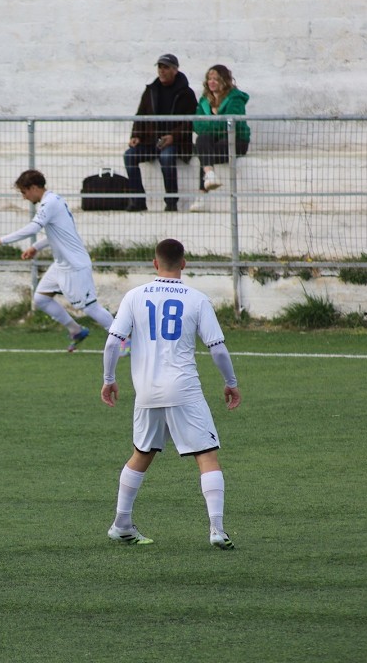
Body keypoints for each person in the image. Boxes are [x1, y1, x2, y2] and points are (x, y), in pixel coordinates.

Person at [100, 238, 242, 549]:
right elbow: (217, 347)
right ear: (184, 264)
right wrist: (230, 381)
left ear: (155, 264)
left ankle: (121, 524)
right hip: (184, 390)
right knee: (206, 455)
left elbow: (113, 342)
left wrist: (109, 378)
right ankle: (217, 529)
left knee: (142, 453)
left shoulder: (135, 296)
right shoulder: (197, 299)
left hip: (146, 392)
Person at [0, 169, 119, 353]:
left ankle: (124, 339)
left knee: (90, 307)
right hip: (61, 264)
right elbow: (57, 233)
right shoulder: (54, 201)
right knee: (41, 299)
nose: (24, 197)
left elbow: (33, 228)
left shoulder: (50, 203)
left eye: (24, 192)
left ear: (33, 187)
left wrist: (2, 239)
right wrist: (36, 247)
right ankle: (76, 330)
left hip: (74, 264)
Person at [124, 53, 197, 212]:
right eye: (160, 67)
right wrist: (135, 136)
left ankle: (171, 202)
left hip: (176, 143)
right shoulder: (151, 91)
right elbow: (140, 115)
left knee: (166, 156)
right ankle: (138, 201)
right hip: (150, 142)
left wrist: (173, 137)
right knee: (129, 155)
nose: (162, 71)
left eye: (166, 67)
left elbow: (191, 122)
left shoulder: (186, 93)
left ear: (175, 70)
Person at [191, 64, 251, 212]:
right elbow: (197, 125)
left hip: (237, 141)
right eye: (209, 79)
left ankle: (201, 196)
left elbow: (229, 126)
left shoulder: (235, 99)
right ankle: (210, 175)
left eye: (216, 79)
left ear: (224, 81)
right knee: (202, 141)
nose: (212, 82)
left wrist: (210, 125)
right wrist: (215, 125)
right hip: (215, 141)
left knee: (205, 151)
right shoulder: (204, 100)